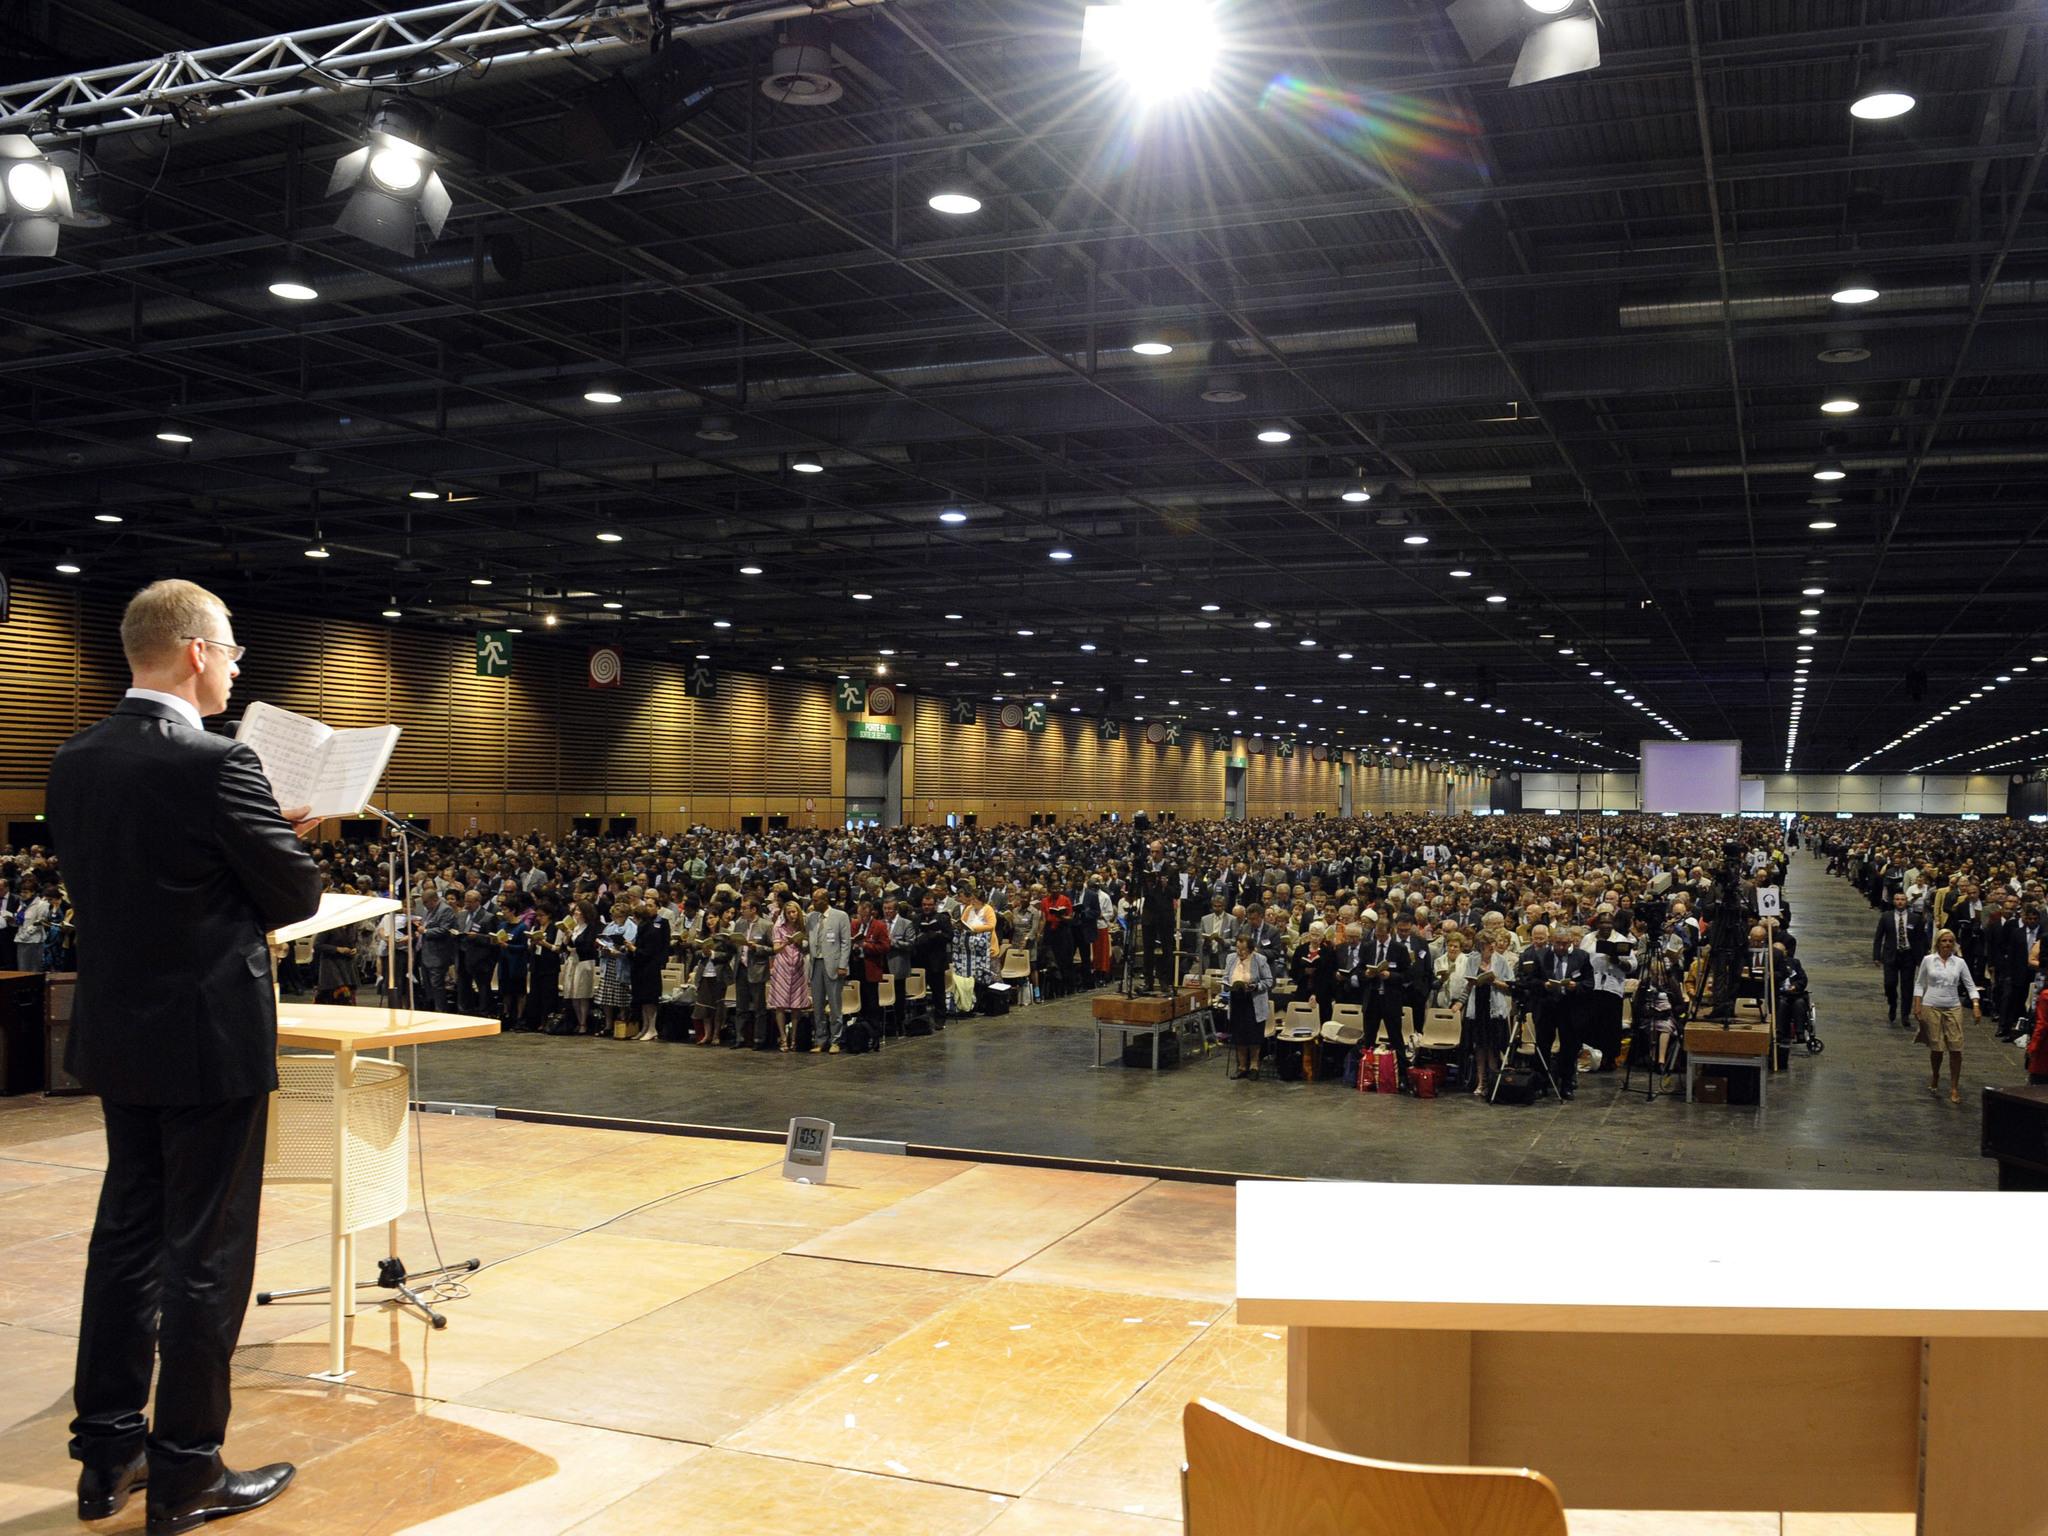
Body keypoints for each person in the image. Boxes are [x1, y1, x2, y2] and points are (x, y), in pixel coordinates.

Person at [49, 578, 322, 1532]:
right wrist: (287, 841)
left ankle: (107, 1455)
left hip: (121, 1034)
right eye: (236, 649)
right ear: (199, 651)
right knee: (204, 1254)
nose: (241, 664)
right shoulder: (218, 764)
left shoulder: (73, 758)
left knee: (124, 1240)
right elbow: (294, 899)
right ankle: (188, 1471)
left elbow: (140, 884)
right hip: (209, 1039)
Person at [1912, 927, 1980, 1105]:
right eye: (1944, 941)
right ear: (1938, 943)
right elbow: (1919, 984)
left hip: (1953, 1007)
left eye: (1950, 941)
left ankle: (1954, 1086)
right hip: (1931, 1005)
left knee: (1956, 1047)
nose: (1947, 944)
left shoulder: (1959, 963)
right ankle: (1935, 1075)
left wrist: (1975, 1005)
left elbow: (1970, 985)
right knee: (1937, 1047)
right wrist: (1917, 1004)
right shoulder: (1928, 960)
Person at [1872, 890, 1929, 1029]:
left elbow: (1921, 939)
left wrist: (1921, 958)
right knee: (1889, 984)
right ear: (1893, 901)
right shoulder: (1886, 917)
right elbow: (1879, 937)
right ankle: (1892, 1004)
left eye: (1902, 899)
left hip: (1908, 956)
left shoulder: (1915, 918)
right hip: (1891, 955)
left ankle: (1905, 1015)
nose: (1900, 902)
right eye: (1897, 899)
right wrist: (1876, 956)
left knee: (1907, 987)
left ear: (1906, 901)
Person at [805, 887, 851, 1051]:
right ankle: (820, 1039)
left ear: (825, 900)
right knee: (817, 1005)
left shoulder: (841, 916)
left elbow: (846, 943)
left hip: (833, 963)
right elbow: (807, 939)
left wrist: (842, 965)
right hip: (816, 963)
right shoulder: (811, 917)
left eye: (816, 900)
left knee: (834, 1004)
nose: (813, 903)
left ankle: (835, 1040)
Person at [1223, 932, 1273, 1080]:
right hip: (1237, 1000)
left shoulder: (1259, 960)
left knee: (1253, 1036)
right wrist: (1227, 985)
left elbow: (1269, 981)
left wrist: (1256, 986)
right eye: (1238, 949)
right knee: (1239, 1035)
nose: (1240, 952)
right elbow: (1226, 977)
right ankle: (1242, 1066)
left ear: (1250, 949)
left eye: (1243, 950)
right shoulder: (1231, 958)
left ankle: (1254, 1066)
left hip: (1253, 1001)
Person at [768, 898, 810, 1052]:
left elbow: (806, 948)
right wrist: (787, 942)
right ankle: (783, 1038)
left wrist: (799, 942)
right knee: (780, 1005)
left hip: (797, 967)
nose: (792, 915)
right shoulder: (779, 927)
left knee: (796, 1006)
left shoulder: (803, 927)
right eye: (789, 912)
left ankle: (794, 1038)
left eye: (794, 912)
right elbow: (775, 949)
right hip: (782, 966)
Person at [628, 897, 669, 1042]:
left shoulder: (661, 923)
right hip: (640, 965)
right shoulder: (644, 924)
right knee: (642, 1000)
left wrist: (635, 949)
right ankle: (645, 1027)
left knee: (650, 999)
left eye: (651, 906)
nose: (648, 908)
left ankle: (652, 1028)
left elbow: (659, 947)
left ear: (658, 907)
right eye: (647, 906)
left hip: (651, 965)